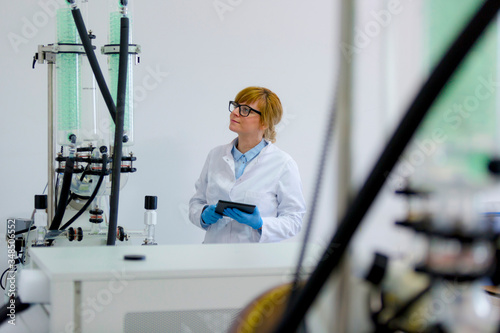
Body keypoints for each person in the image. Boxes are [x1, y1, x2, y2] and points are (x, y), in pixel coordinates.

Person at [189, 86, 306, 243]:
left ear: (264, 122)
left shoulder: (283, 164)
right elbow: (196, 202)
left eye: (245, 110)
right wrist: (202, 215)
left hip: (256, 260)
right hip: (213, 254)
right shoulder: (215, 155)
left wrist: (261, 224)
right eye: (236, 106)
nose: (235, 112)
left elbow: (294, 219)